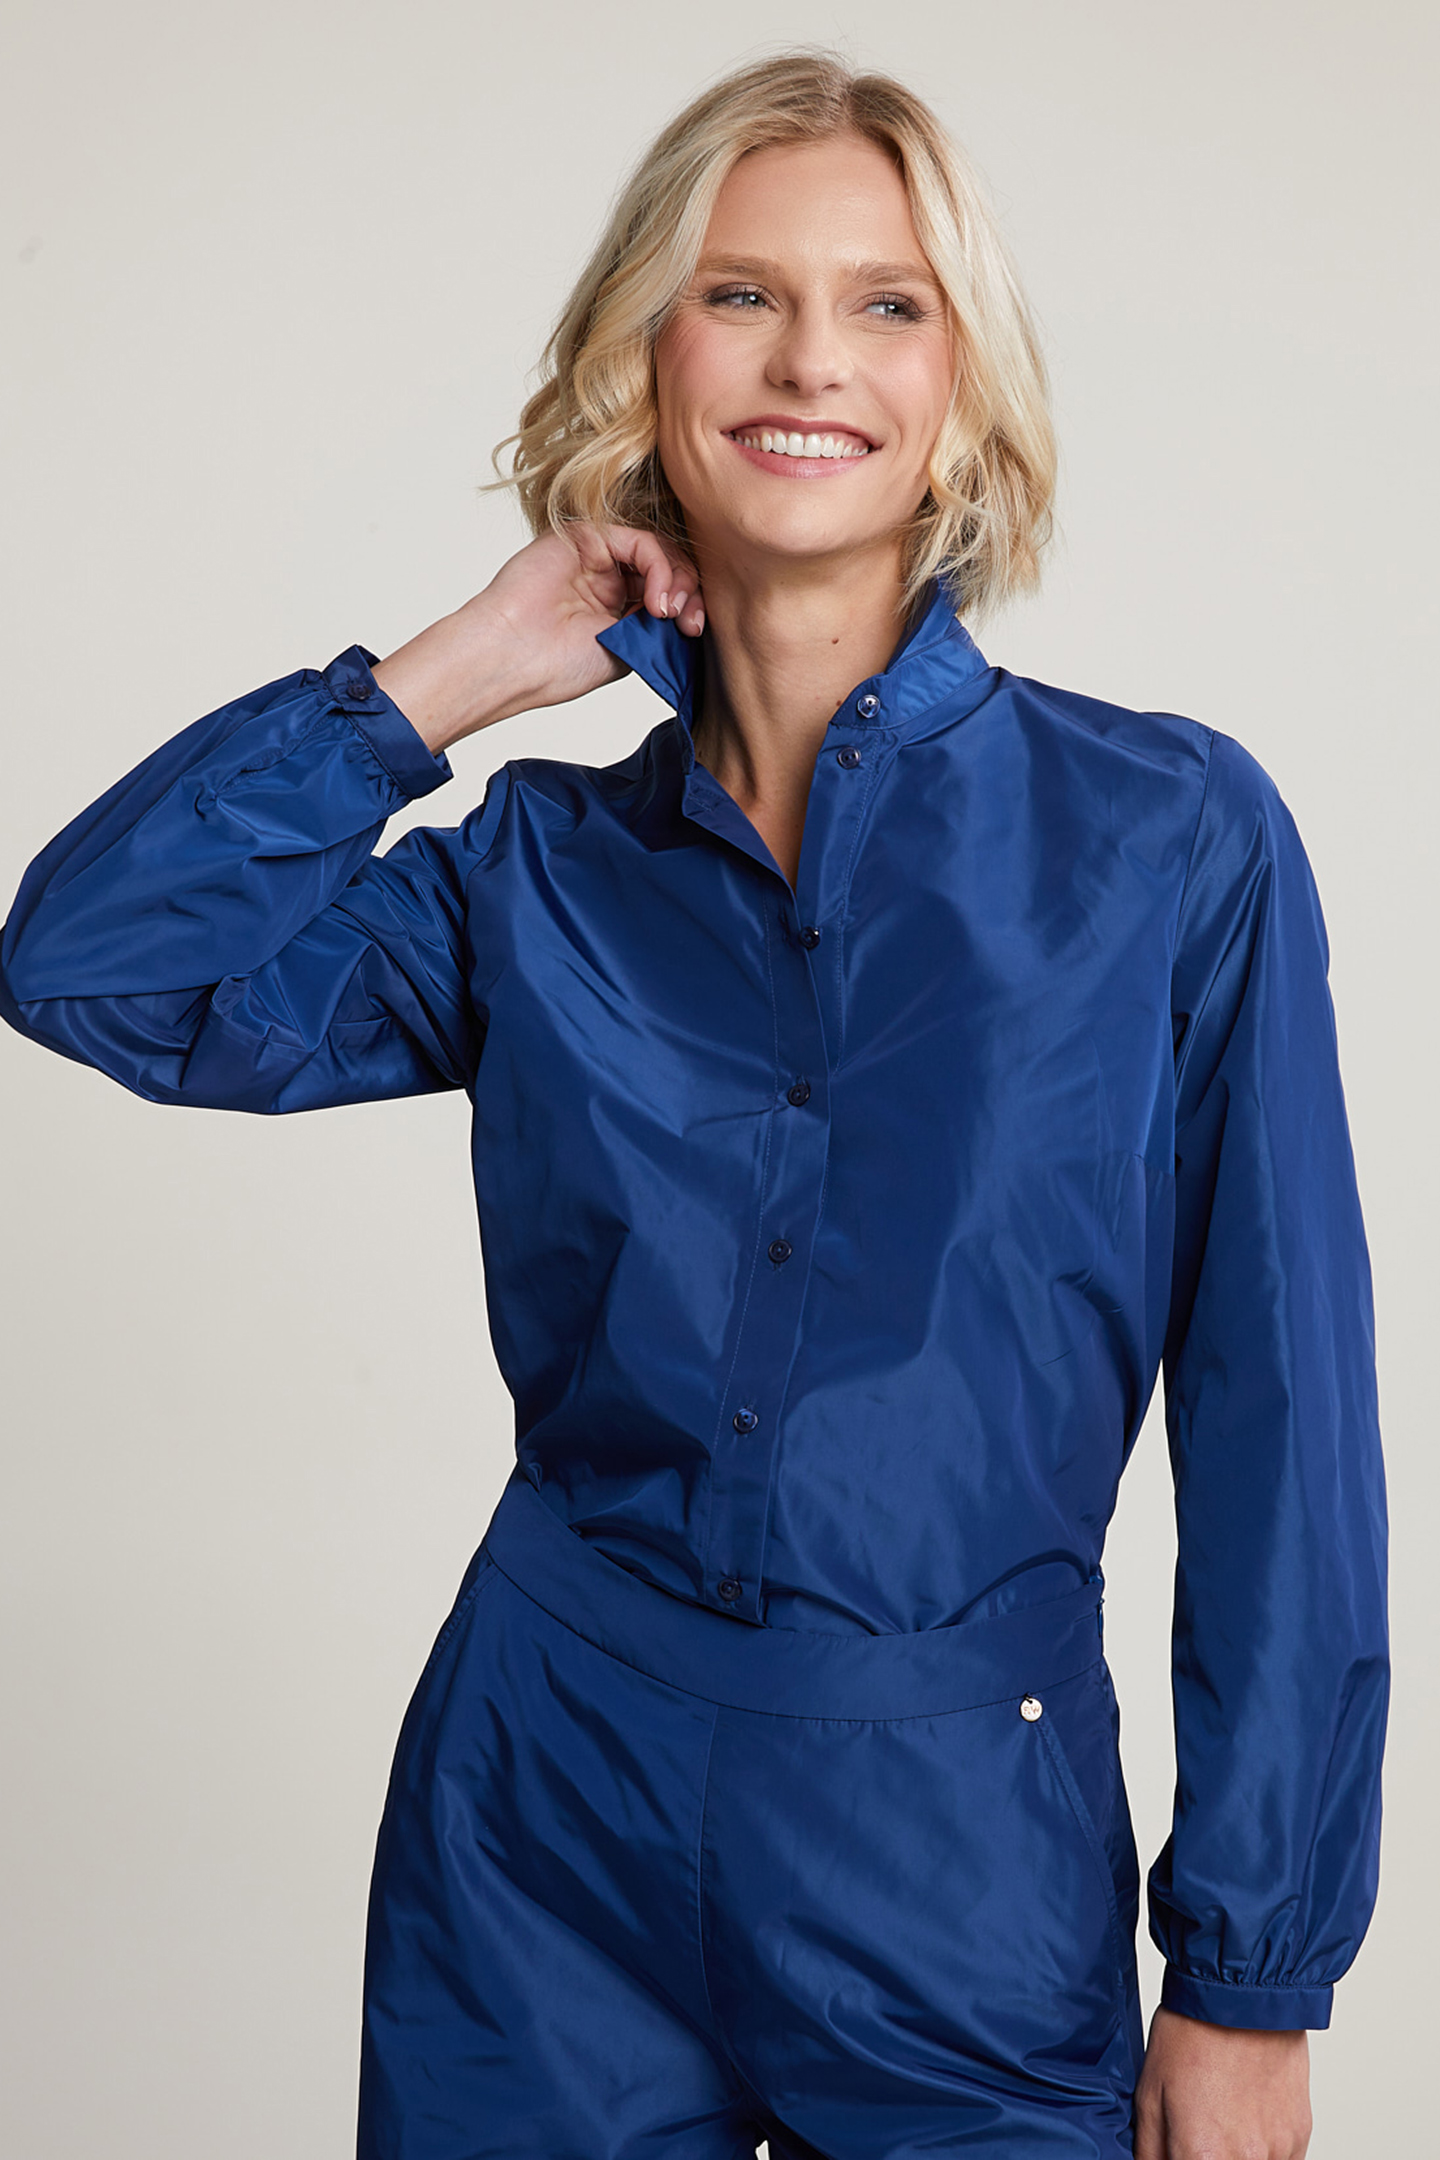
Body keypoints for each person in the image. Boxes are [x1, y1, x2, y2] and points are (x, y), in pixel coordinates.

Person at [0, 46, 1388, 2160]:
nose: (810, 358)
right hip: (542, 1819)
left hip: (957, 1840)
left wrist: (1252, 1973)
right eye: (740, 294)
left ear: (960, 391)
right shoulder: (535, 876)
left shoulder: (1168, 841)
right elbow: (89, 967)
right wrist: (451, 675)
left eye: (886, 302)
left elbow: (1286, 1420)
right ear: (645, 362)